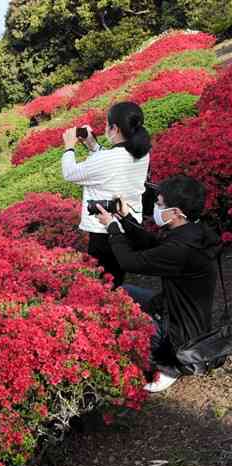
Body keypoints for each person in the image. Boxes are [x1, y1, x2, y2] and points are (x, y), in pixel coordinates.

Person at [94, 175, 222, 392]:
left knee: (122, 327)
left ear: (176, 213)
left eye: (160, 203)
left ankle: (169, 366)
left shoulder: (182, 250)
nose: (155, 206)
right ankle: (164, 354)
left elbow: (129, 262)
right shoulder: (194, 231)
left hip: (179, 331)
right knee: (123, 292)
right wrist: (126, 218)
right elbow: (155, 245)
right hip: (180, 312)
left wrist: (113, 230)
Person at [62, 101, 151, 288]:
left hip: (104, 232)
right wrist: (93, 145)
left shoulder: (109, 158)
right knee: (116, 276)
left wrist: (69, 146)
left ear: (115, 128)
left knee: (105, 283)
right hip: (130, 224)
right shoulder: (141, 151)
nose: (105, 128)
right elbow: (109, 161)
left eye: (107, 125)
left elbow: (70, 173)